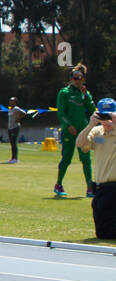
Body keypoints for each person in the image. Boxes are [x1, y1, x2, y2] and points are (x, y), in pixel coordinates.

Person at [56, 65, 96, 198]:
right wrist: (68, 125)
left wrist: (86, 97)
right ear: (71, 79)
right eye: (75, 78)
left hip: (83, 131)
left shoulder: (85, 93)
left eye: (80, 78)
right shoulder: (64, 92)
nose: (78, 81)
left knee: (86, 159)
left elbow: (92, 111)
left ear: (83, 79)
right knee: (66, 158)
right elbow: (61, 112)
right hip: (69, 131)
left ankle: (90, 187)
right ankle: (59, 184)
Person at [78, 98, 116, 238]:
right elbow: (80, 144)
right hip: (102, 187)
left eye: (109, 115)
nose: (106, 120)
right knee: (102, 229)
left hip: (114, 186)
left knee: (105, 232)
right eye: (103, 116)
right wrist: (90, 125)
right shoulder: (97, 132)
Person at [5, 96, 31, 163]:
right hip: (10, 128)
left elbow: (24, 113)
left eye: (12, 101)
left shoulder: (16, 108)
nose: (11, 102)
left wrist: (19, 118)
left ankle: (15, 159)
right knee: (11, 143)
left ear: (15, 102)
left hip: (15, 127)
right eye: (10, 100)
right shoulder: (10, 109)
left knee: (14, 143)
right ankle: (12, 158)